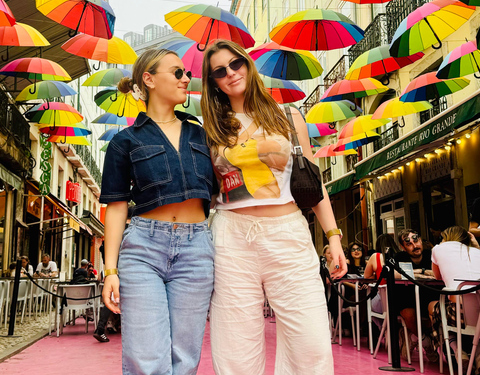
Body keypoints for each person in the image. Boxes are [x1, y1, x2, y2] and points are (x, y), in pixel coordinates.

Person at [201, 40, 346, 375]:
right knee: (235, 345)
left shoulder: (289, 116)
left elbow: (314, 181)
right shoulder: (211, 128)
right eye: (219, 72)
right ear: (214, 83)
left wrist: (333, 236)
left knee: (311, 343)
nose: (231, 74)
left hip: (287, 232)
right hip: (231, 237)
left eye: (235, 64)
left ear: (248, 64)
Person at [100, 49, 216, 375]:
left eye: (187, 74)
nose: (186, 78)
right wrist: (110, 271)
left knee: (185, 357)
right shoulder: (126, 141)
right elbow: (116, 206)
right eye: (177, 73)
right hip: (143, 249)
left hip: (196, 249)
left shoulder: (204, 135)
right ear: (149, 79)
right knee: (146, 357)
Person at [428, 226, 480, 374]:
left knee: (434, 308)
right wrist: (477, 246)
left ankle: (457, 350)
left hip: (459, 313)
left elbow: (437, 276)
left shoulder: (438, 249)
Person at [395, 229, 438, 362]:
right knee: (409, 314)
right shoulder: (399, 257)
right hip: (406, 296)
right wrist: (422, 271)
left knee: (436, 310)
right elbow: (395, 274)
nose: (415, 246)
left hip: (429, 294)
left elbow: (439, 272)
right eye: (409, 244)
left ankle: (414, 337)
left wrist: (413, 272)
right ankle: (426, 342)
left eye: (416, 240)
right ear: (403, 247)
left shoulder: (431, 255)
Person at [364, 234, 402, 330]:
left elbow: (366, 276)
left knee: (370, 306)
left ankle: (383, 329)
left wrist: (378, 274)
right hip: (400, 299)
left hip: (383, 301)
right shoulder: (400, 256)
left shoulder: (376, 256)